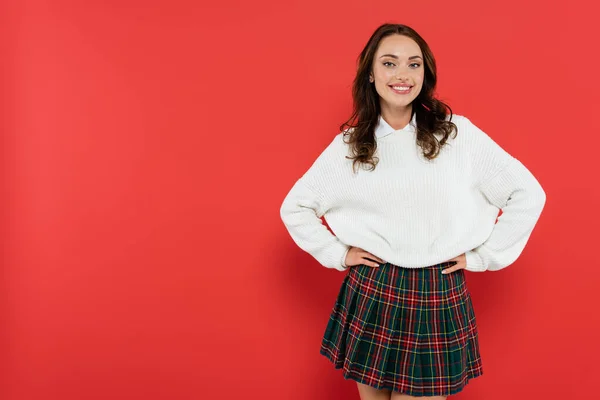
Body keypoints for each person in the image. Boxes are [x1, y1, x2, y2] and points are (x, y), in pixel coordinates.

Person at [278, 23, 546, 400]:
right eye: (389, 63)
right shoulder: (351, 145)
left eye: (413, 64)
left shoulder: (457, 135)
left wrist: (484, 256)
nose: (402, 75)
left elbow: (527, 194)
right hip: (374, 288)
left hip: (436, 289)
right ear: (371, 74)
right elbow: (296, 207)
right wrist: (338, 253)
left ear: (426, 73)